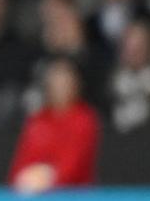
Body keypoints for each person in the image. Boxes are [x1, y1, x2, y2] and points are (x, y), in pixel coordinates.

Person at [9, 58, 99, 193]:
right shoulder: (37, 120)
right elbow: (21, 163)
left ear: (76, 85)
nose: (60, 87)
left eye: (65, 82)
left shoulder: (84, 119)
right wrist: (21, 181)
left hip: (75, 199)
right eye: (56, 82)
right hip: (35, 198)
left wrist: (46, 180)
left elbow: (73, 165)